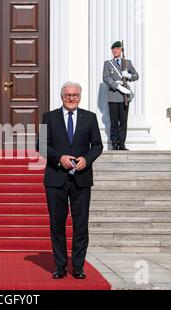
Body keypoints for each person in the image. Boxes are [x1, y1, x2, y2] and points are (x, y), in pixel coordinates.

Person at [41, 82, 103, 280]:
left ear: (80, 96)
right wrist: (59, 158)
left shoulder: (90, 118)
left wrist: (87, 158)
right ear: (61, 96)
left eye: (75, 95)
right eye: (68, 95)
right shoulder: (49, 117)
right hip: (55, 178)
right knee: (57, 224)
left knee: (81, 224)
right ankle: (60, 266)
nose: (71, 98)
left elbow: (97, 145)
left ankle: (78, 267)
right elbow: (41, 145)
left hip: (82, 179)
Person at [103, 41, 139, 151]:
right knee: (114, 121)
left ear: (121, 50)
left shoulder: (127, 63)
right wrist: (117, 87)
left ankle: (122, 143)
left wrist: (128, 75)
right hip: (113, 95)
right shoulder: (108, 63)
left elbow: (136, 76)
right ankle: (114, 143)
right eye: (113, 49)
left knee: (123, 121)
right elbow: (106, 77)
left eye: (117, 49)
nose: (115, 51)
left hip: (124, 96)